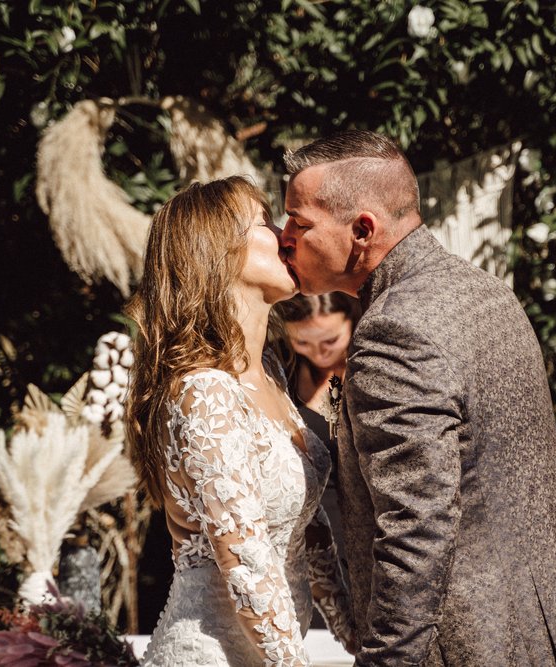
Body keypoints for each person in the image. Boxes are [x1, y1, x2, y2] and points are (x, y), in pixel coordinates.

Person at [279, 130, 556, 666]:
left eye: (299, 224)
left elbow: (417, 527)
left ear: (362, 229)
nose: (285, 238)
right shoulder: (484, 291)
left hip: (471, 647)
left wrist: (387, 662)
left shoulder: (392, 328)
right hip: (552, 633)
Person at [125, 176, 355, 667]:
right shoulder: (204, 392)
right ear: (217, 253)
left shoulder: (270, 371)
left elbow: (307, 527)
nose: (286, 234)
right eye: (265, 222)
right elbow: (245, 562)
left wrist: (360, 636)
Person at [275, 292, 361, 568]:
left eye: (331, 340)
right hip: (303, 530)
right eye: (302, 342)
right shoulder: (282, 371)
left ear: (352, 320)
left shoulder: (370, 369)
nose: (319, 352)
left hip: (360, 528)